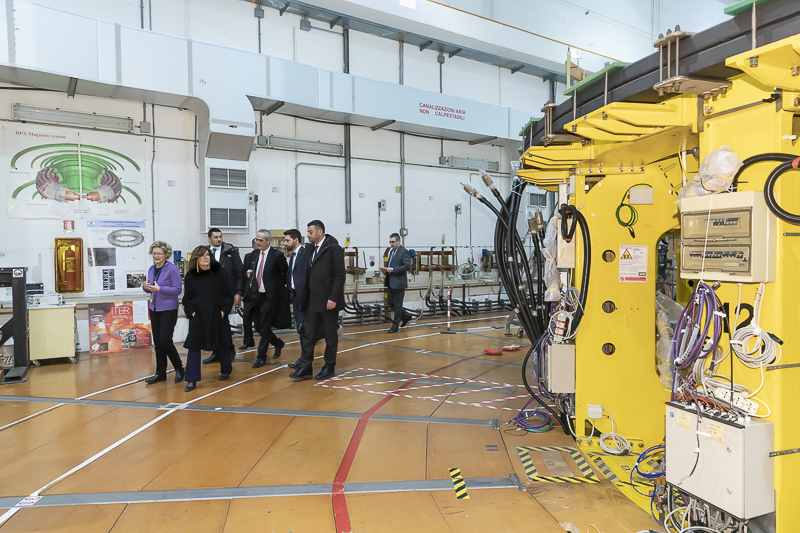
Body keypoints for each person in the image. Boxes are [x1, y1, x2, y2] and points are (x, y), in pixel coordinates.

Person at [289, 220, 345, 381]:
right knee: (308, 334)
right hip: (312, 300)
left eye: (310, 232)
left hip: (328, 301)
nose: (307, 235)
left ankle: (329, 367)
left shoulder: (333, 248)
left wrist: (333, 297)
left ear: (320, 232)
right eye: (307, 232)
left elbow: (340, 275)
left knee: (330, 336)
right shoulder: (310, 249)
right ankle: (306, 367)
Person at [182, 246, 235, 392]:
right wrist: (191, 312)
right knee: (193, 345)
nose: (206, 258)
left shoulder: (220, 272)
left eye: (207, 255)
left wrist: (224, 311)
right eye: (202, 255)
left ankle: (226, 369)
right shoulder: (190, 275)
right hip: (198, 315)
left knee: (222, 342)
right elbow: (186, 298)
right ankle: (191, 379)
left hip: (217, 313)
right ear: (196, 258)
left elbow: (229, 294)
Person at [243, 229, 289, 368]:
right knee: (258, 326)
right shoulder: (253, 255)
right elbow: (246, 273)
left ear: (268, 241)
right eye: (256, 239)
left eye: (261, 240)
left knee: (264, 326)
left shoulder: (277, 255)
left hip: (270, 298)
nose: (258, 242)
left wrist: (279, 293)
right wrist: (248, 274)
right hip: (255, 296)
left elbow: (285, 274)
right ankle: (278, 343)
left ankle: (261, 356)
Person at [142, 241, 184, 384]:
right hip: (154, 308)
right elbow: (150, 287)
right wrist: (145, 287)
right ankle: (160, 373)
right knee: (158, 342)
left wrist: (160, 289)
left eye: (159, 253)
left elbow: (178, 290)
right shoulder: (151, 269)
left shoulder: (172, 269)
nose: (156, 256)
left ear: (166, 254)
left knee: (165, 341)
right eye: (154, 253)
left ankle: (179, 367)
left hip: (168, 309)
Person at [203, 228, 244, 364]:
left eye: (220, 236)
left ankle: (229, 349)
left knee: (223, 323)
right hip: (209, 295)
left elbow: (239, 273)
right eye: (215, 237)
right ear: (209, 239)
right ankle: (216, 352)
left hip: (226, 294)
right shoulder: (204, 252)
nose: (219, 239)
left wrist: (238, 292)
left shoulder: (230, 252)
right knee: (212, 324)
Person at [283, 229, 310, 369]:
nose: (284, 243)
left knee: (305, 329)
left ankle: (305, 360)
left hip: (304, 298)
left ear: (296, 240)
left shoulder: (304, 254)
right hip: (295, 297)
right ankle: (303, 358)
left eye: (287, 240)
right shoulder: (293, 256)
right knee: (300, 329)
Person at [380, 232, 413, 333]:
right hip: (390, 281)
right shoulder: (391, 252)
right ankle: (406, 315)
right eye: (390, 242)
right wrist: (386, 270)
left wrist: (393, 269)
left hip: (399, 282)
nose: (391, 244)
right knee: (390, 302)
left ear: (399, 241)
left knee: (398, 305)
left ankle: (395, 326)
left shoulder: (404, 252)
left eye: (393, 242)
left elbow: (407, 266)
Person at [239, 237, 260, 350]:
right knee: (246, 317)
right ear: (253, 246)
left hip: (261, 293)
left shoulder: (266, 256)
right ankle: (248, 341)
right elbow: (243, 274)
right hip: (249, 292)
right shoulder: (248, 256)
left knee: (259, 321)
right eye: (256, 244)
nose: (258, 245)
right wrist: (241, 292)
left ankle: (267, 340)